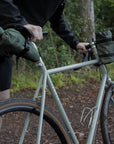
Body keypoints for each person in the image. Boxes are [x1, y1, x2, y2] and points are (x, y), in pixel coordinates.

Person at [0, 0, 88, 101]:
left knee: (3, 100)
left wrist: (75, 43)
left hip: (6, 47)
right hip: (4, 32)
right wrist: (21, 23)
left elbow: (57, 21)